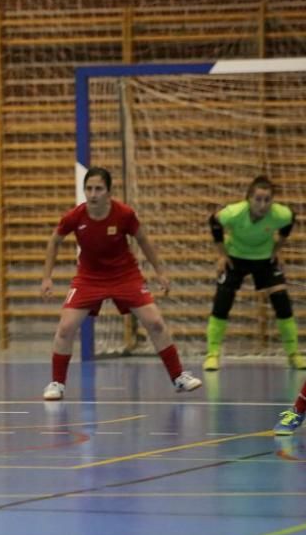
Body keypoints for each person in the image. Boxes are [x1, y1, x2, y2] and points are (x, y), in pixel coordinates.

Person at [39, 166, 202, 400]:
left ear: (108, 192)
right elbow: (54, 242)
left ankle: (178, 377)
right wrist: (47, 277)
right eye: (89, 189)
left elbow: (143, 240)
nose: (93, 194)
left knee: (155, 322)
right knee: (65, 328)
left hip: (125, 276)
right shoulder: (75, 216)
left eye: (98, 189)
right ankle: (57, 383)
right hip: (89, 278)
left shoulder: (124, 214)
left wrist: (160, 272)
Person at [204, 175, 303, 371]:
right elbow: (214, 222)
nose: (263, 204)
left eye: (267, 200)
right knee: (222, 301)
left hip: (265, 259)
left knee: (282, 301)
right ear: (249, 198)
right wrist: (222, 255)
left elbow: (290, 221)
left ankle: (293, 354)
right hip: (235, 257)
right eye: (258, 199)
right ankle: (212, 354)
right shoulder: (234, 213)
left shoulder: (280, 214)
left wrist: (277, 251)